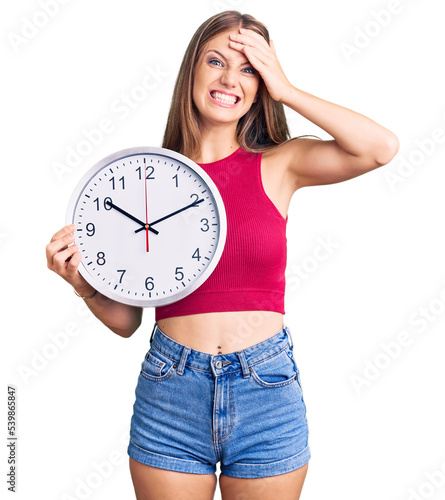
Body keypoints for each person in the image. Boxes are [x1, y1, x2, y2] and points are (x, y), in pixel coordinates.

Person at [46, 10, 399, 500]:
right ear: (193, 69)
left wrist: (288, 88)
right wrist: (82, 283)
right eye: (216, 61)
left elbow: (380, 148)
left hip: (265, 388)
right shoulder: (145, 179)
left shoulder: (281, 163)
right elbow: (128, 321)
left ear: (261, 85)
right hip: (171, 390)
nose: (230, 78)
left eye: (249, 68)